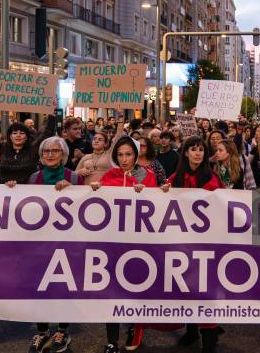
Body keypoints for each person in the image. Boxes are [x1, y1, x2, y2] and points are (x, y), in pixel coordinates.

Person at [7, 137, 83, 353]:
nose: (50, 155)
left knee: (62, 286)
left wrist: (73, 191)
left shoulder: (74, 178)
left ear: (64, 155)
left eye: (55, 151)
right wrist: (12, 189)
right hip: (39, 243)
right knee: (39, 286)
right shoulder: (33, 178)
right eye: (46, 151)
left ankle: (62, 330)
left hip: (66, 243)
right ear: (41, 155)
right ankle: (42, 332)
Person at [91, 136, 166, 353]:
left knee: (135, 288)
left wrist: (159, 192)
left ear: (135, 155)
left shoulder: (148, 175)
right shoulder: (109, 175)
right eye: (120, 155)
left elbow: (158, 205)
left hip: (140, 243)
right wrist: (95, 188)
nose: (124, 159)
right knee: (112, 291)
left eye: (129, 154)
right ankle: (112, 340)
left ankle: (134, 327)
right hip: (113, 243)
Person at [167, 136, 224, 352]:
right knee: (187, 289)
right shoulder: (175, 178)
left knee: (206, 291)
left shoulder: (212, 178)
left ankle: (209, 340)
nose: (198, 153)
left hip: (207, 245)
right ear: (186, 153)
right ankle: (191, 331)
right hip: (183, 244)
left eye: (201, 149)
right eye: (193, 149)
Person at [0, 108, 57, 184]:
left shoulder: (33, 150)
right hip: (5, 193)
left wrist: (52, 115)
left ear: (26, 137)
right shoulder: (1, 148)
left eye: (22, 133)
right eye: (14, 133)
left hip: (29, 193)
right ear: (10, 136)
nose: (18, 135)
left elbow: (47, 134)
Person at [76, 118, 124, 184]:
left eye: (100, 139)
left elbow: (118, 135)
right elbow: (74, 173)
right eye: (94, 139)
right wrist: (80, 171)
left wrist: (120, 116)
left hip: (105, 190)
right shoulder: (86, 157)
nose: (96, 141)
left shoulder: (109, 154)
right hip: (87, 191)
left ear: (105, 144)